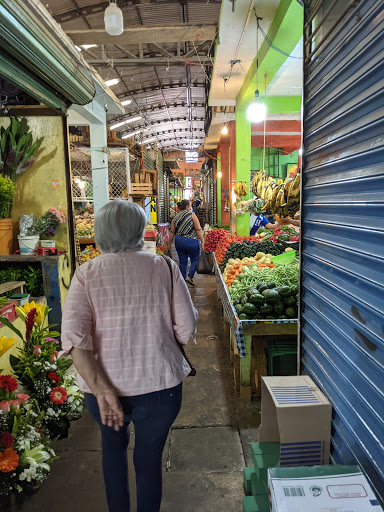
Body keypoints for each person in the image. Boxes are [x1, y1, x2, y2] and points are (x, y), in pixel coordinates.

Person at [61, 200, 198, 512]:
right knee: (148, 459)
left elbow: (73, 340)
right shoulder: (164, 266)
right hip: (161, 387)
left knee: (112, 449)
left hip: (103, 393)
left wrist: (102, 389)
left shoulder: (85, 274)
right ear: (140, 230)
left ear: (100, 232)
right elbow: (186, 329)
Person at [167, 199, 204, 287]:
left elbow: (172, 231)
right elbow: (198, 229)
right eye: (190, 205)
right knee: (195, 259)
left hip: (179, 241)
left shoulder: (175, 218)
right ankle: (190, 276)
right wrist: (202, 241)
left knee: (183, 261)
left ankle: (183, 280)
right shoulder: (192, 215)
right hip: (191, 241)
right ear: (187, 207)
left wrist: (168, 243)